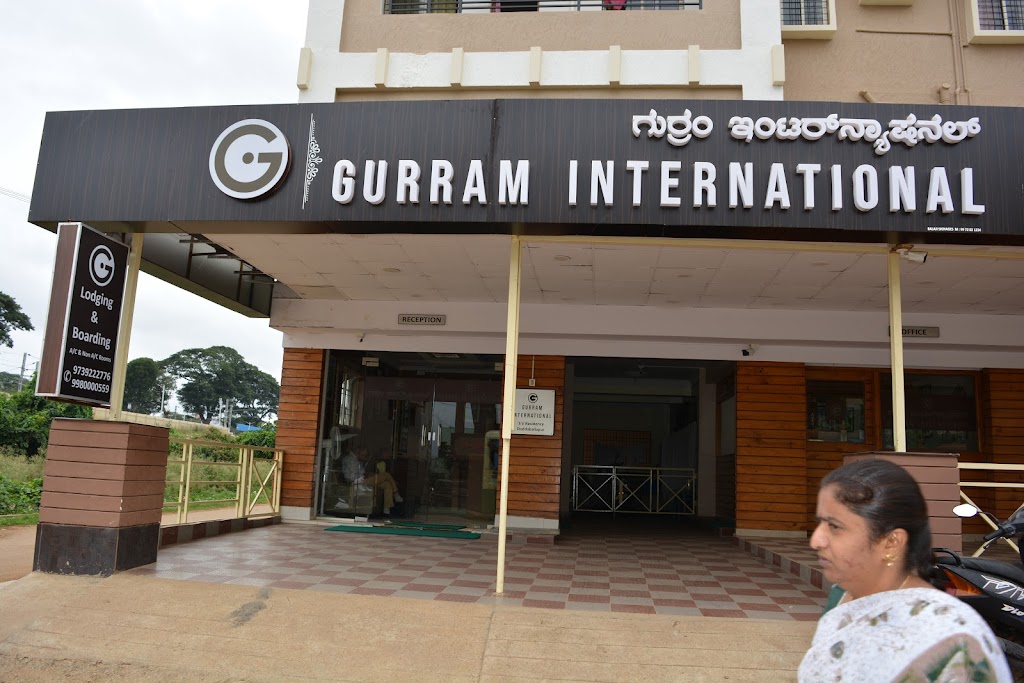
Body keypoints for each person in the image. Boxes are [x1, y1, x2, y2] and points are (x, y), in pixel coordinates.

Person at [799, 458, 1011, 682]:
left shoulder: (953, 640)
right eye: (820, 523)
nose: (816, 540)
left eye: (834, 526)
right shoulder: (843, 596)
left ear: (891, 542)